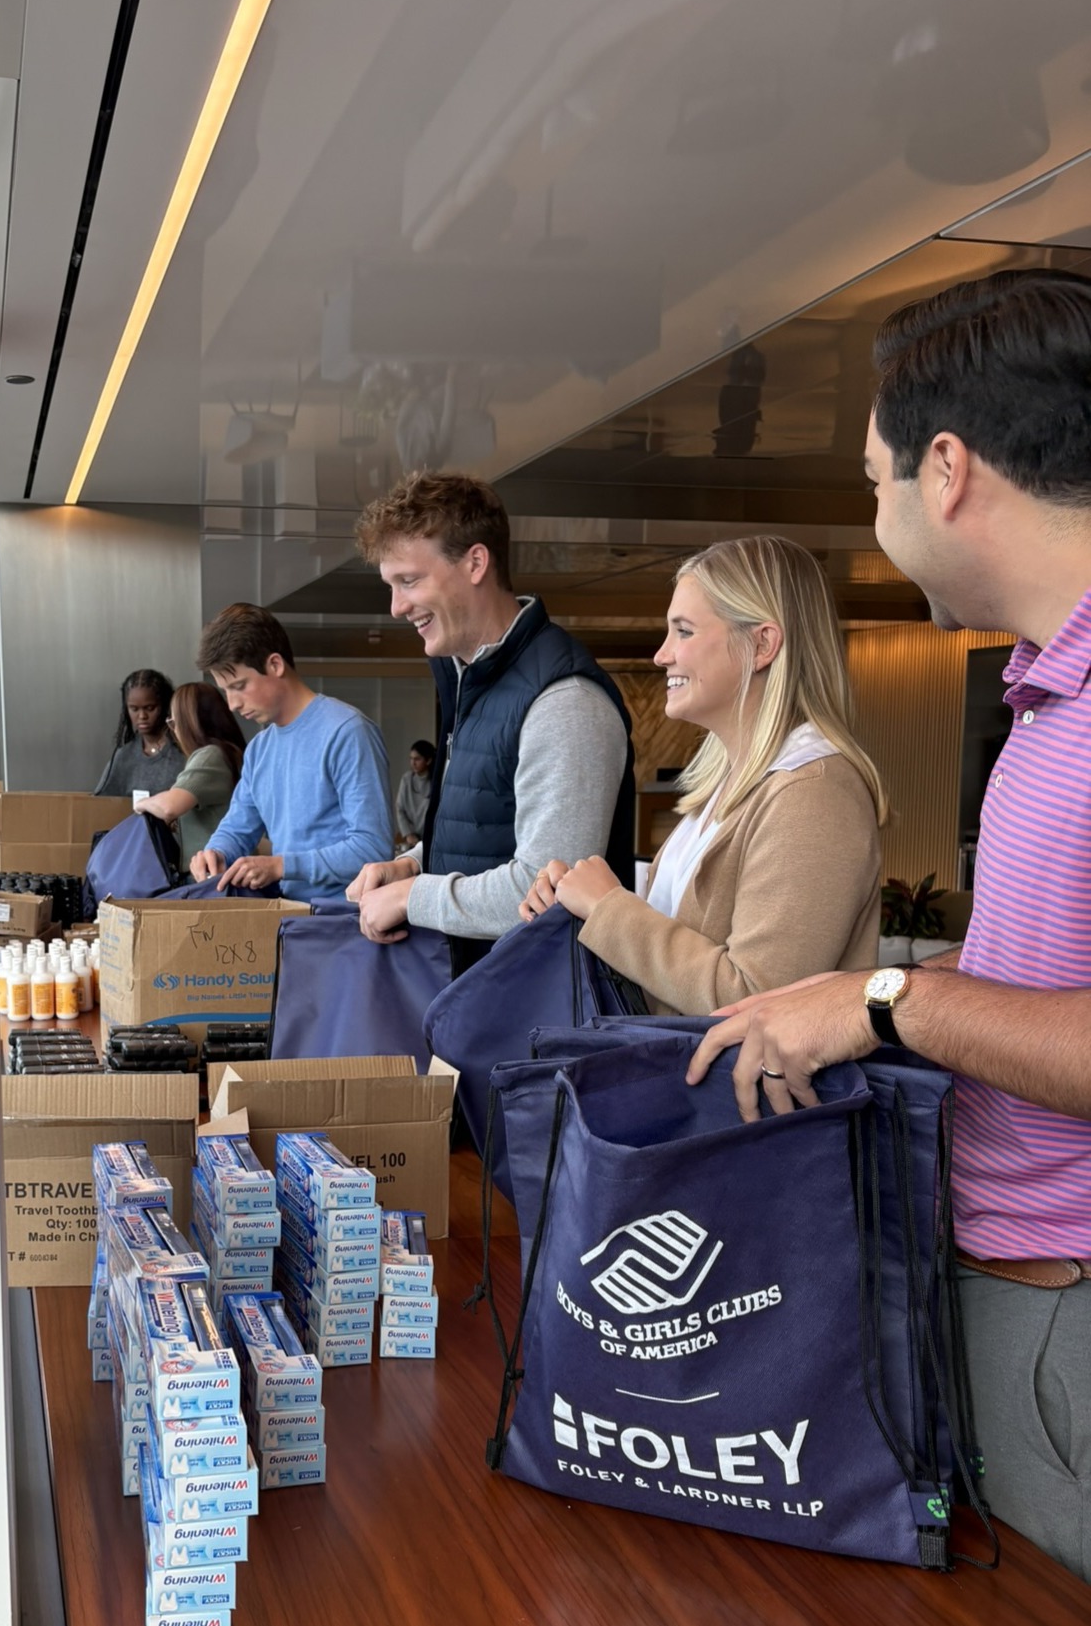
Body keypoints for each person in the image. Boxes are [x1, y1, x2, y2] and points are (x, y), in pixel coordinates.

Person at [688, 268, 1091, 1583]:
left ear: (950, 468)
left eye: (875, 480)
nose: (876, 515)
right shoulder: (1043, 696)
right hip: (1003, 1287)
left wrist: (882, 998)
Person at [520, 536, 885, 1012]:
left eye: (684, 632)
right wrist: (576, 899)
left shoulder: (813, 795)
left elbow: (757, 1000)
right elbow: (675, 953)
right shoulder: (730, 786)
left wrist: (608, 908)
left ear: (762, 644)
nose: (661, 655)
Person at [344, 470, 634, 957]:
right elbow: (487, 831)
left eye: (409, 581)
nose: (396, 607)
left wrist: (413, 896)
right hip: (481, 1002)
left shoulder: (565, 701)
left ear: (476, 562)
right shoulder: (465, 676)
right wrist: (414, 863)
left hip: (535, 1016)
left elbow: (547, 892)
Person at [188, 603, 393, 901]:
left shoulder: (347, 731)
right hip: (289, 919)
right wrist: (215, 852)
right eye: (225, 691)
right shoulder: (259, 749)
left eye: (239, 686)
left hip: (345, 921)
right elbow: (237, 828)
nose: (232, 704)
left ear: (275, 665)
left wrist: (283, 866)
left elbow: (371, 848)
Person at [131, 681, 245, 870]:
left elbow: (170, 806)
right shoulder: (229, 753)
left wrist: (141, 804)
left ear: (188, 723)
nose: (174, 731)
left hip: (208, 874)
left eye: (174, 723)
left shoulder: (210, 756)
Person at [93, 668, 184, 796]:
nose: (142, 716)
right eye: (134, 709)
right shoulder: (123, 756)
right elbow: (101, 802)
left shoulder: (183, 750)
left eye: (150, 708)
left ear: (165, 706)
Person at [395, 739, 435, 845]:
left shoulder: (436, 781)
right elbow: (400, 809)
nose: (413, 763)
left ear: (428, 760)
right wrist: (408, 834)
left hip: (431, 837)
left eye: (417, 759)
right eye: (411, 759)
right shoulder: (407, 779)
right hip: (412, 838)